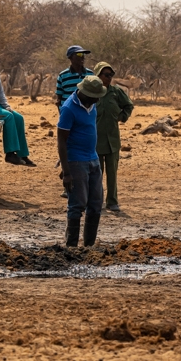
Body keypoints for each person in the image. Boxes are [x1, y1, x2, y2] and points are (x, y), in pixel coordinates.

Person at [58, 76, 107, 247]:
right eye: (94, 95)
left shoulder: (91, 105)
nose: (97, 99)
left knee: (96, 203)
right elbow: (61, 141)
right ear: (85, 93)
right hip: (77, 161)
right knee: (77, 205)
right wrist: (66, 171)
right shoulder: (69, 109)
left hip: (93, 159)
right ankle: (71, 247)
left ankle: (89, 246)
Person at [92, 62, 134, 212]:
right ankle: (96, 201)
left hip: (113, 141)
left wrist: (122, 117)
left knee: (112, 174)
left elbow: (129, 106)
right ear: (98, 76)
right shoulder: (92, 92)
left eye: (111, 75)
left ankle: (112, 201)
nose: (109, 78)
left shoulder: (116, 92)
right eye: (106, 75)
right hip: (95, 141)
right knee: (96, 174)